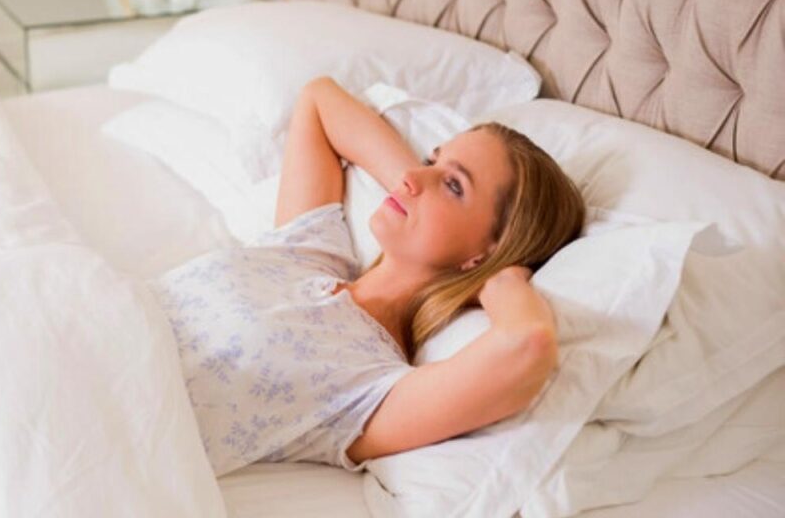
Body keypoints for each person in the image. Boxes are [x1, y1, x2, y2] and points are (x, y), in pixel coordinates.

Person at [146, 76, 586, 477]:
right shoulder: (310, 250)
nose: (414, 175)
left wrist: (501, 278)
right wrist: (416, 189)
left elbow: (527, 344)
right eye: (433, 160)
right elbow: (318, 100)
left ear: (484, 254)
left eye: (453, 185)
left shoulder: (369, 389)